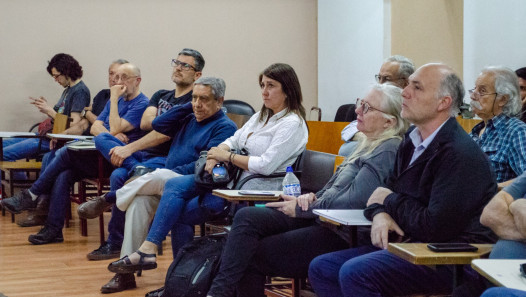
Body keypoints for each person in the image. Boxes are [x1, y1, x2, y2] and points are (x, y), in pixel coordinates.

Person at [106, 63, 309, 294]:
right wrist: (215, 154)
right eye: (262, 85)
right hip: (228, 183)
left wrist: (227, 156)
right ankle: (172, 276)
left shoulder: (292, 123)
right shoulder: (261, 117)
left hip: (255, 190)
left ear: (288, 89)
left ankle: (170, 274)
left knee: (176, 206)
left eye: (271, 86)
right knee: (173, 190)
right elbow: (234, 139)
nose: (264, 91)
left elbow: (266, 164)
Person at [308, 63, 498, 297]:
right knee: (323, 268)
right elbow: (381, 192)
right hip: (410, 243)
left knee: (355, 272)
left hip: (449, 256)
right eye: (407, 85)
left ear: (443, 102)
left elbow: (433, 226)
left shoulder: (459, 154)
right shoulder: (411, 139)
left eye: (416, 88)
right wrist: (380, 213)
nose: (405, 92)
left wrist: (389, 201)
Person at [205, 83, 409, 297]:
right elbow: (335, 189)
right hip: (321, 216)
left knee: (250, 254)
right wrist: (311, 196)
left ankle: (218, 292)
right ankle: (217, 292)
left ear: (389, 122)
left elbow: (351, 201)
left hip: (343, 232)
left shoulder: (387, 149)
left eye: (367, 107)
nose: (357, 110)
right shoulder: (368, 143)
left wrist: (304, 208)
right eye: (361, 103)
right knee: (247, 217)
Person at [95, 76, 237, 293]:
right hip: (167, 180)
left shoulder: (224, 127)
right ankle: (126, 274)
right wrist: (186, 108)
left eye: (204, 99)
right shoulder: (188, 117)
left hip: (193, 184)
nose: (198, 104)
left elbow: (202, 168)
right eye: (194, 98)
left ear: (220, 101)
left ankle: (110, 198)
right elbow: (158, 124)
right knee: (138, 203)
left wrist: (171, 173)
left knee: (160, 177)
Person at [0, 63, 149, 246]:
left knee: (65, 153)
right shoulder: (113, 101)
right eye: (115, 77)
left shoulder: (141, 103)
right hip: (100, 155)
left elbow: (113, 127)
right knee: (63, 175)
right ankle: (53, 229)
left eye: (124, 77)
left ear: (138, 80)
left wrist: (111, 115)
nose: (118, 82)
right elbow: (95, 127)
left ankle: (32, 194)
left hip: (119, 161)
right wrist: (109, 130)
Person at [79, 48, 205, 261]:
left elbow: (164, 133)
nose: (178, 67)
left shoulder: (194, 102)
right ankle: (134, 171)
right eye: (176, 62)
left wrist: (130, 147)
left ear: (197, 75)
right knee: (102, 139)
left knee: (119, 176)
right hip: (142, 158)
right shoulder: (160, 95)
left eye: (186, 65)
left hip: (166, 160)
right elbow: (148, 124)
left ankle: (114, 242)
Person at [17, 59, 128, 228]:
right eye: (111, 74)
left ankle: (34, 199)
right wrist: (61, 134)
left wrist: (89, 119)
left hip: (106, 156)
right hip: (85, 146)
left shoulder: (131, 101)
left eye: (119, 75)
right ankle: (51, 225)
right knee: (58, 168)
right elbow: (88, 124)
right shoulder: (102, 95)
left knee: (56, 155)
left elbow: (105, 128)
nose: (114, 78)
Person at [3, 53, 90, 161]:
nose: (55, 80)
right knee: (2, 145)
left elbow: (75, 124)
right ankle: (19, 176)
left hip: (56, 140)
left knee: (4, 153)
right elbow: (60, 116)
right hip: (48, 135)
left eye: (57, 76)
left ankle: (18, 177)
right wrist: (46, 107)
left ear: (67, 71)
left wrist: (50, 111)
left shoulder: (80, 91)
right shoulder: (68, 90)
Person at [339, 55, 414, 156]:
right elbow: (347, 130)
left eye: (387, 79)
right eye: (379, 78)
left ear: (405, 82)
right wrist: (368, 137)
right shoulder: (376, 101)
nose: (381, 83)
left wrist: (374, 138)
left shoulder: (413, 111)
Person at [469, 66, 526, 187]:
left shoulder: (516, 132)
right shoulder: (473, 133)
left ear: (502, 99)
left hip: (493, 203)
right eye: (474, 89)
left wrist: (493, 188)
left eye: (482, 91)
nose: (473, 96)